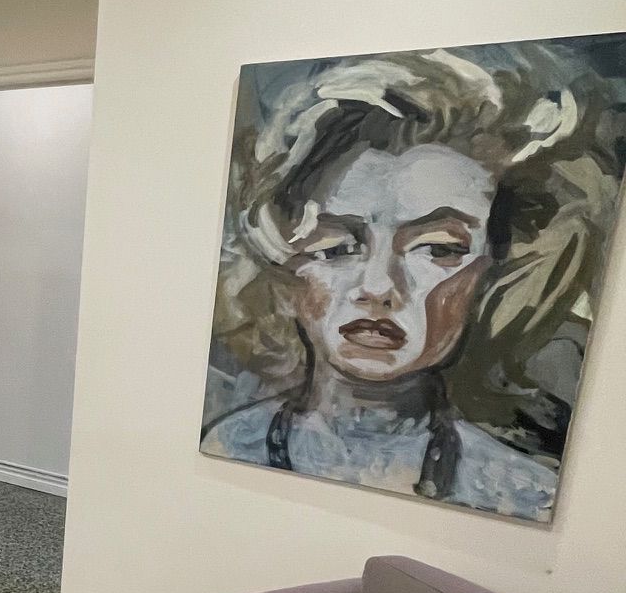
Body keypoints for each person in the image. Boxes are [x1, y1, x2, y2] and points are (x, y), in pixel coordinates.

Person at [201, 47, 618, 521]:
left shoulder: (522, 492)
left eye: (437, 248)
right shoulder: (228, 444)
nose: (378, 287)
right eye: (336, 249)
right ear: (287, 266)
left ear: (490, 273)